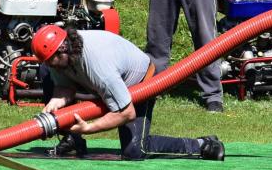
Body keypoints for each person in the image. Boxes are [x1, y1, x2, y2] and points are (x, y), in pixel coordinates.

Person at [33, 25, 225, 162]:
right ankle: (72, 140)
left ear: (63, 49)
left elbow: (126, 113)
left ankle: (203, 145)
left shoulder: (100, 67)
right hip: (104, 84)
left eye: (51, 61)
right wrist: (55, 101)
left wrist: (88, 128)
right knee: (46, 74)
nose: (51, 66)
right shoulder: (63, 55)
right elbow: (65, 87)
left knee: (135, 150)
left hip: (140, 84)